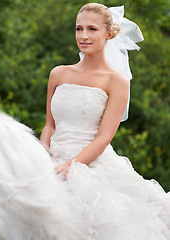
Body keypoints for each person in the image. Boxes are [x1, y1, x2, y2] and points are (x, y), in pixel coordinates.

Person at [40, 3, 170, 239]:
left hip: (91, 164)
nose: (84, 36)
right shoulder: (58, 73)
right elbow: (50, 125)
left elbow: (103, 137)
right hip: (51, 158)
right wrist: (43, 154)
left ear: (108, 34)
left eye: (92, 29)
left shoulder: (117, 82)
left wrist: (70, 167)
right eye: (79, 29)